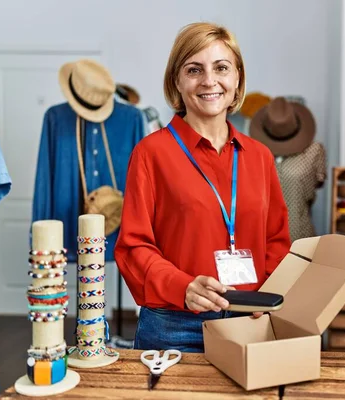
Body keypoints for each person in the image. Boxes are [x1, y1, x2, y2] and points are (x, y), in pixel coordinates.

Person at [114, 22, 291, 352]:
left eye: (221, 68)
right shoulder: (151, 153)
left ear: (237, 79)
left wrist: (268, 294)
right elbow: (133, 246)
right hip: (175, 326)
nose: (209, 81)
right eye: (194, 70)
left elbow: (276, 240)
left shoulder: (260, 156)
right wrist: (182, 286)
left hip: (248, 321)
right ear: (177, 82)